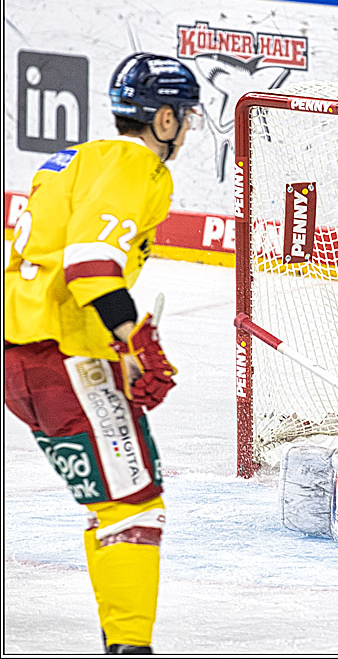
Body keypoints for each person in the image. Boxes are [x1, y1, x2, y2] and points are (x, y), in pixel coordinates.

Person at [4, 53, 203, 653]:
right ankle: (129, 647)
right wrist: (132, 340)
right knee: (132, 506)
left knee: (111, 496)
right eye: (185, 117)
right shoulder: (133, 164)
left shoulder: (73, 160)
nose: (188, 129)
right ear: (162, 120)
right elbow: (89, 266)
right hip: (63, 357)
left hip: (23, 355)